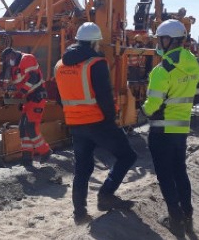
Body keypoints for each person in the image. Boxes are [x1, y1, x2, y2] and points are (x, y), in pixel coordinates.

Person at [54, 22, 137, 224]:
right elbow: (105, 96)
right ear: (93, 43)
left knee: (82, 167)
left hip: (75, 124)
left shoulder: (60, 65)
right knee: (127, 156)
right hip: (98, 122)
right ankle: (106, 195)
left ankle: (80, 213)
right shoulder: (96, 63)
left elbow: (58, 95)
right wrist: (111, 119)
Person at [141, 19, 199, 237]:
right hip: (181, 129)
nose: (160, 42)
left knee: (165, 176)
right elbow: (198, 94)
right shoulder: (193, 62)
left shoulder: (162, 69)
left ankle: (175, 220)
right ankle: (187, 214)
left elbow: (153, 105)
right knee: (180, 172)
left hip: (161, 131)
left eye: (163, 39)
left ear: (172, 40)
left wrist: (144, 111)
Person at [0, 47, 52, 167]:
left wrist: (20, 93)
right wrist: (3, 86)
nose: (8, 62)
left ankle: (45, 151)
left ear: (12, 55)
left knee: (31, 127)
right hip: (28, 99)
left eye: (8, 59)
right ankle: (27, 158)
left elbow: (33, 78)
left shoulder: (27, 59)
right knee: (23, 127)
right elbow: (14, 83)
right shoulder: (13, 67)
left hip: (37, 97)